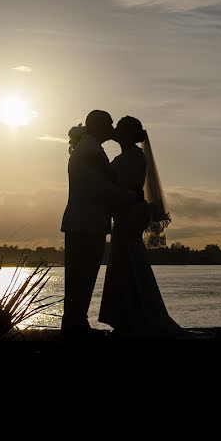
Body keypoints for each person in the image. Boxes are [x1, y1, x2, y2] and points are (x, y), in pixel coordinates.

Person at [98, 116, 184, 336]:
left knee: (126, 260)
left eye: (119, 128)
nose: (115, 131)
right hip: (129, 212)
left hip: (130, 214)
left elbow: (119, 185)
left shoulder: (132, 157)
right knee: (126, 261)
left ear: (127, 134)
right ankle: (131, 315)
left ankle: (133, 317)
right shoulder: (131, 156)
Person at [60, 110, 140, 338]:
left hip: (85, 222)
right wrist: (133, 198)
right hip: (86, 223)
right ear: (97, 125)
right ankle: (75, 327)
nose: (112, 128)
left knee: (81, 277)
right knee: (81, 277)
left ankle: (76, 325)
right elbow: (99, 189)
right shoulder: (89, 150)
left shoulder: (90, 147)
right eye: (109, 123)